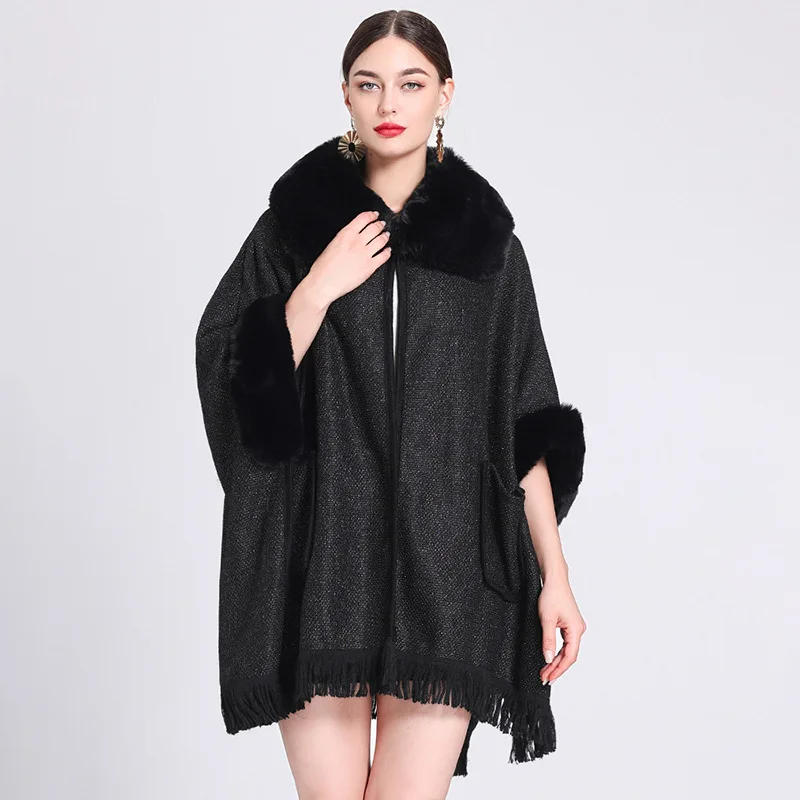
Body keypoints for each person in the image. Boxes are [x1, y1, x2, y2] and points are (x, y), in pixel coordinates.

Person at [195, 9, 587, 799]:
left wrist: (556, 574)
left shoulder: (490, 252)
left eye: (410, 83)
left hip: (448, 576)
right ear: (345, 95)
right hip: (318, 571)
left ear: (445, 94)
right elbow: (232, 376)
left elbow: (524, 420)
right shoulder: (291, 233)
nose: (388, 103)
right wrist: (315, 289)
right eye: (368, 84)